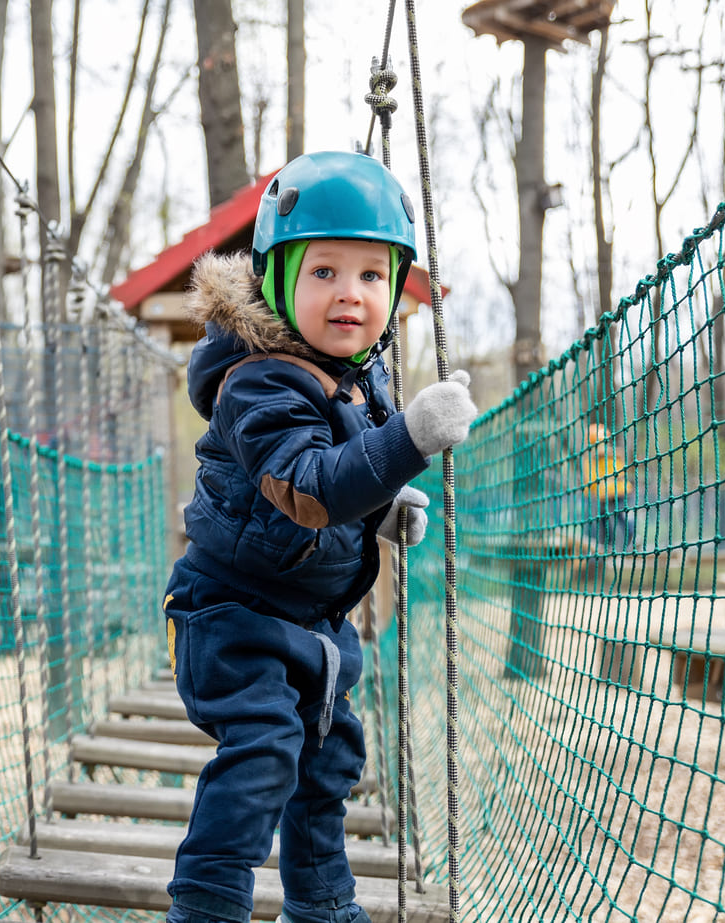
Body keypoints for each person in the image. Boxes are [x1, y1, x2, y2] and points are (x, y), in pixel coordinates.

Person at [161, 150, 478, 923]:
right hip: (231, 615)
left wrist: (385, 501)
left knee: (328, 761)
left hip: (316, 622)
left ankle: (324, 906)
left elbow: (346, 468)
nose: (351, 294)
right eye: (325, 272)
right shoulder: (258, 379)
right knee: (266, 750)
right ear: (277, 281)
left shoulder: (358, 372)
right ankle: (205, 909)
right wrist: (408, 439)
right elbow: (308, 486)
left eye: (373, 276)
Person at [583, 423, 633, 550]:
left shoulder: (613, 455)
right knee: (604, 517)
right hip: (604, 493)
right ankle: (608, 544)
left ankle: (630, 541)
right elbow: (591, 479)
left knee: (620, 515)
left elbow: (620, 472)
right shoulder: (592, 458)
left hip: (618, 491)